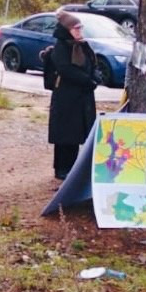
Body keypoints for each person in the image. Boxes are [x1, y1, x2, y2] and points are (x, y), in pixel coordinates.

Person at [48, 10, 98, 180]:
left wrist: (95, 77)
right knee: (64, 135)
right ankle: (61, 168)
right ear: (67, 29)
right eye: (76, 29)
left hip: (82, 98)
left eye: (80, 28)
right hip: (66, 98)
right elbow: (65, 69)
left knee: (76, 135)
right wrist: (87, 80)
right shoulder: (60, 47)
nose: (79, 31)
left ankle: (72, 168)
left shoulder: (82, 45)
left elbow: (92, 62)